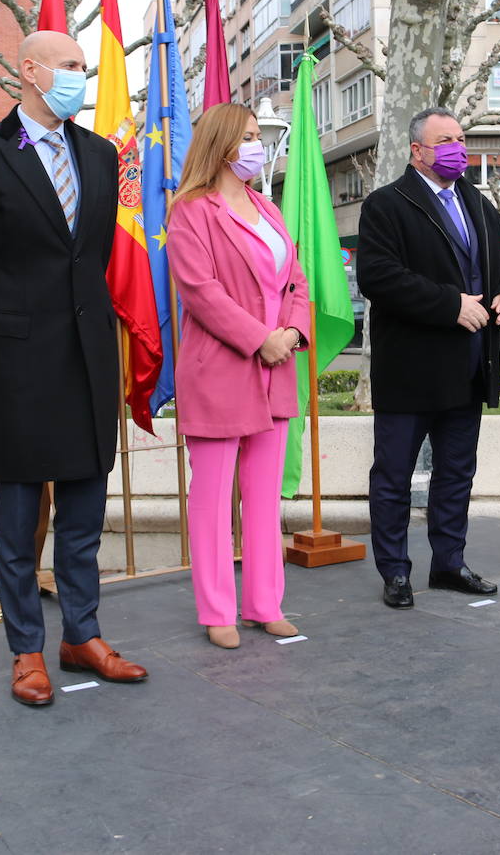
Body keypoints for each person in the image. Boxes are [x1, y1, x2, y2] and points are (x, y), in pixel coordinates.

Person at [0, 30, 147, 706]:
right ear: (29, 71)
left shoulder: (101, 155)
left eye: (84, 67)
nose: (80, 77)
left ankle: (81, 634)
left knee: (84, 515)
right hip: (16, 366)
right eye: (70, 66)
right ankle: (26, 649)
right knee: (20, 523)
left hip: (88, 361)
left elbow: (93, 260)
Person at [357, 107, 500, 609]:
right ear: (417, 151)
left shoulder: (477, 203)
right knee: (393, 479)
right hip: (410, 370)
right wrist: (450, 305)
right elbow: (379, 277)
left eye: (461, 138)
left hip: (468, 369)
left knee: (456, 475)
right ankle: (395, 572)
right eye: (446, 139)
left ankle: (449, 564)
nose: (458, 147)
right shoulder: (387, 204)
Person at [165, 103, 311, 649]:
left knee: (264, 495)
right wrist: (261, 338)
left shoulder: (266, 209)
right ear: (222, 144)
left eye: (258, 136)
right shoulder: (190, 211)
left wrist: (292, 334)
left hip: (276, 370)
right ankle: (217, 611)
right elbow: (202, 293)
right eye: (248, 136)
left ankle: (264, 603)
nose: (257, 145)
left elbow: (294, 279)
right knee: (211, 498)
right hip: (222, 370)